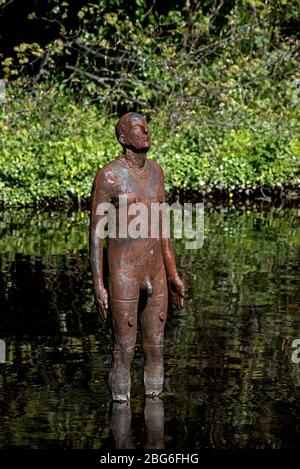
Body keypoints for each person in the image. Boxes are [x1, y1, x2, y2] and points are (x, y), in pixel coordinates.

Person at [90, 112, 184, 401]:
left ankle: (155, 419)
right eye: (137, 128)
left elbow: (162, 227)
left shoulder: (157, 172)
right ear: (123, 138)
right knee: (124, 349)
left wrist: (173, 274)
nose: (145, 131)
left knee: (156, 347)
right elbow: (96, 233)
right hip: (124, 272)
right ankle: (120, 416)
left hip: (155, 270)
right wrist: (98, 284)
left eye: (146, 126)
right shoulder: (109, 176)